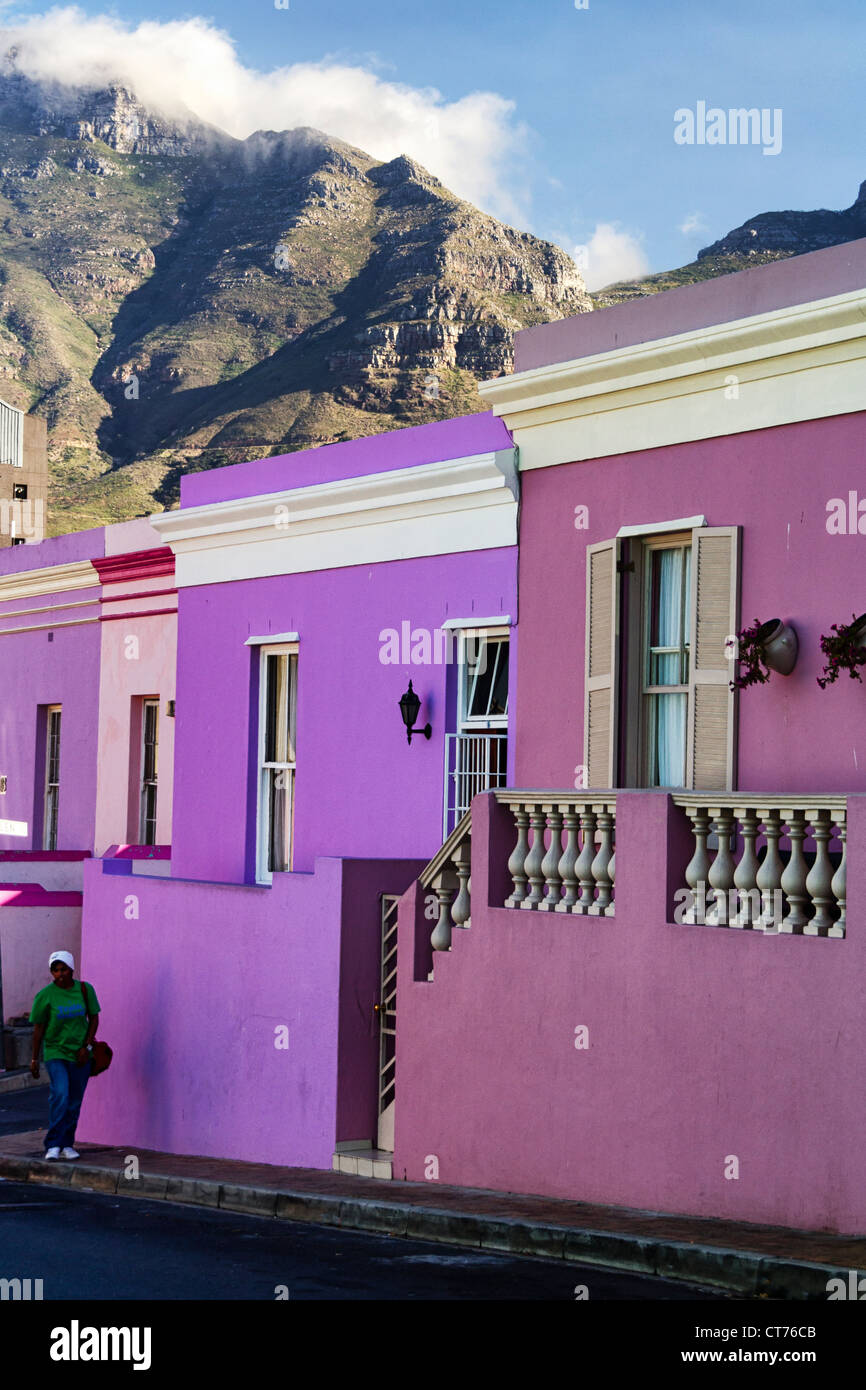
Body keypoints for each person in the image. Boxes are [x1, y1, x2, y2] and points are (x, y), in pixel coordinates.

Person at [29, 952, 100, 1160]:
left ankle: (67, 1143)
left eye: (64, 969)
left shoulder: (85, 990)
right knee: (60, 1094)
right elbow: (38, 1029)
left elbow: (94, 1019)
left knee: (74, 1101)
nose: (60, 974)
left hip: (80, 1054)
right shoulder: (45, 995)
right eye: (55, 970)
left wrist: (85, 1047)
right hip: (55, 1052)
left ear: (71, 969)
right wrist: (34, 1059)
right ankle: (53, 1144)